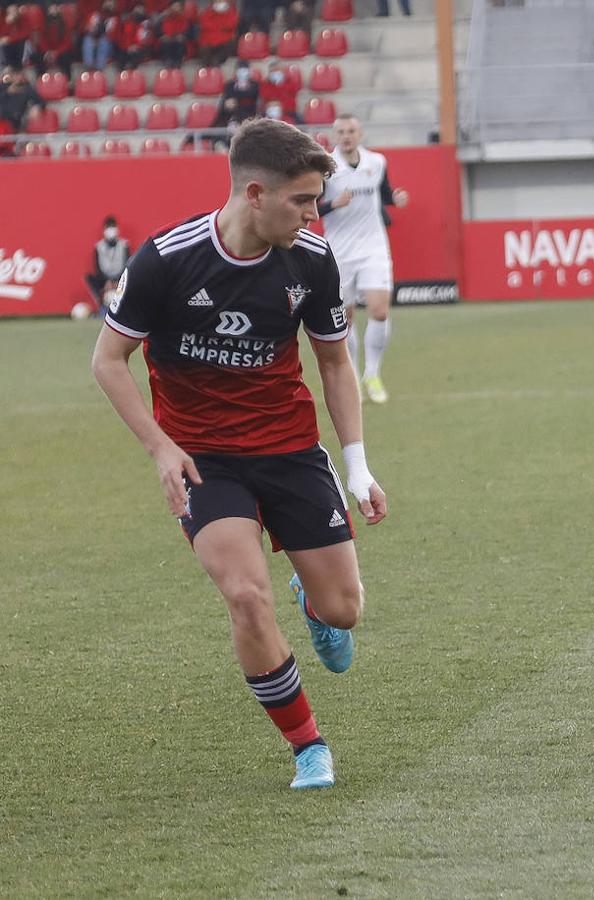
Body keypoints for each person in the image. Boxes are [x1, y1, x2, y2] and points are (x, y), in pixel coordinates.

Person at [91, 118, 388, 790]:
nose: (316, 214)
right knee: (247, 598)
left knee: (344, 610)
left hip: (288, 450)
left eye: (317, 201)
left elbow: (336, 365)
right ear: (255, 194)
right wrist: (161, 448)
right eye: (303, 201)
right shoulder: (167, 259)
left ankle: (313, 607)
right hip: (204, 460)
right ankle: (309, 746)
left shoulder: (311, 260)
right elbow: (108, 359)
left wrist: (358, 463)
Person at [318, 113, 409, 404]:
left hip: (373, 247)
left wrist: (395, 197)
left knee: (380, 310)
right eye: (341, 131)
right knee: (345, 319)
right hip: (340, 251)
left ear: (361, 134)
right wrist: (334, 203)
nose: (346, 136)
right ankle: (353, 376)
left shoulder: (377, 162)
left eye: (351, 131)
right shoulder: (326, 169)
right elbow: (311, 208)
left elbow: (383, 195)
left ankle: (373, 373)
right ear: (334, 136)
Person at [85, 215, 131, 314]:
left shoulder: (124, 245)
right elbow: (97, 268)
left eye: (112, 227)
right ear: (104, 230)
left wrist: (118, 281)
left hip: (120, 278)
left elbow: (128, 265)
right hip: (105, 280)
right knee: (89, 278)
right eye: (108, 227)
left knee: (132, 278)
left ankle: (126, 307)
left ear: (117, 228)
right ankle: (101, 305)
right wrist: (107, 282)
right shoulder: (99, 247)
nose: (110, 230)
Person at [197, 0, 238, 68]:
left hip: (224, 43)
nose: (220, 3)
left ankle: (215, 63)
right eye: (218, 1)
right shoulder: (207, 12)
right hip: (208, 42)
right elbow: (204, 23)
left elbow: (231, 24)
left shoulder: (231, 12)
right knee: (204, 51)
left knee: (228, 46)